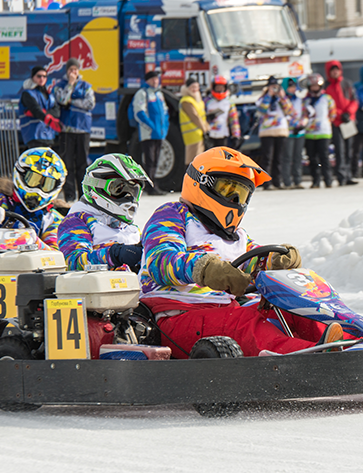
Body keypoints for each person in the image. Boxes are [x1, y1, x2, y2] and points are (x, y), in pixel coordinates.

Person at [139, 147, 340, 358]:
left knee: (292, 306)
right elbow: (161, 260)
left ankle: (345, 341)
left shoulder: (236, 235)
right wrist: (206, 269)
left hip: (222, 312)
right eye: (227, 190)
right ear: (201, 182)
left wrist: (276, 261)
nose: (235, 200)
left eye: (241, 194)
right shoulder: (173, 215)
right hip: (176, 316)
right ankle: (310, 355)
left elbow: (253, 259)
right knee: (244, 323)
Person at [57, 154, 151, 272]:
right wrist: (114, 255)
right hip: (96, 283)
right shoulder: (77, 221)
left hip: (131, 282)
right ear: (97, 186)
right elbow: (73, 262)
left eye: (133, 191)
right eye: (118, 189)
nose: (128, 197)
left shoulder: (130, 228)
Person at [0, 147, 67, 251]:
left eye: (47, 184)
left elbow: (57, 253)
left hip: (28, 260)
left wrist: (35, 242)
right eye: (33, 179)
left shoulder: (52, 219)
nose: (38, 189)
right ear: (21, 175)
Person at [52, 58, 95, 202]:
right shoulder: (60, 85)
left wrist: (73, 102)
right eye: (71, 70)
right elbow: (62, 100)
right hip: (66, 130)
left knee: (82, 164)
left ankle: (84, 195)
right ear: (67, 71)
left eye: (75, 70)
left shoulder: (86, 86)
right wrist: (70, 85)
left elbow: (90, 103)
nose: (73, 72)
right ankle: (69, 195)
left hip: (83, 129)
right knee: (67, 163)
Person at [129, 69, 169, 195]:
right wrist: (151, 127)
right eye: (153, 79)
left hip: (159, 133)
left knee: (156, 160)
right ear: (147, 81)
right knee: (149, 160)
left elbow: (165, 112)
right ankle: (149, 186)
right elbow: (139, 112)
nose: (155, 81)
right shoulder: (142, 93)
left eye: (157, 79)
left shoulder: (159, 94)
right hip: (149, 133)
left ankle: (153, 184)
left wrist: (165, 127)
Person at [324, 60, 359, 186]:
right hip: (336, 122)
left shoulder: (347, 84)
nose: (335, 72)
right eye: (332, 70)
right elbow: (327, 104)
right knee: (339, 150)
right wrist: (339, 114)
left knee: (349, 150)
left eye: (337, 69)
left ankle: (349, 175)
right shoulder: (326, 86)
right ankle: (341, 176)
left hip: (348, 121)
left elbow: (354, 100)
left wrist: (348, 113)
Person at [255, 76, 294, 190]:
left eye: (275, 86)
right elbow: (261, 110)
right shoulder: (262, 98)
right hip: (267, 131)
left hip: (280, 130)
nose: (274, 89)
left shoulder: (281, 98)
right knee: (267, 158)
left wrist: (282, 97)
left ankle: (277, 182)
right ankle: (267, 183)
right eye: (272, 87)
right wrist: (269, 95)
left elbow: (290, 111)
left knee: (279, 158)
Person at [302, 73, 336, 189]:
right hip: (310, 133)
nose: (314, 88)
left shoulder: (327, 99)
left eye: (316, 86)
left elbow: (333, 114)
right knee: (312, 158)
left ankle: (328, 179)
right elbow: (303, 114)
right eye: (312, 86)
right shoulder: (306, 100)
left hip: (323, 132)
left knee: (324, 157)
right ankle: (315, 180)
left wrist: (324, 122)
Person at [19, 66, 61, 149]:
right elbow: (36, 110)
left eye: (44, 76)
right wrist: (48, 115)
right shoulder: (27, 94)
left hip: (48, 135)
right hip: (34, 134)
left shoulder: (50, 96)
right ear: (33, 77)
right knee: (37, 157)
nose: (42, 78)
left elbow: (57, 112)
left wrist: (44, 112)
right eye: (39, 76)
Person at [280, 78, 307, 189]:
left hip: (299, 132)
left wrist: (302, 124)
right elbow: (287, 113)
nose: (292, 89)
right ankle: (287, 181)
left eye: (294, 87)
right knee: (287, 157)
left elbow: (304, 113)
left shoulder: (299, 100)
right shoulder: (282, 100)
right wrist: (293, 125)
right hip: (288, 132)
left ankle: (297, 180)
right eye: (290, 87)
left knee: (298, 157)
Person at [204, 75, 240, 148]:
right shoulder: (207, 101)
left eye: (222, 87)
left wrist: (236, 135)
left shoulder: (229, 102)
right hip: (209, 135)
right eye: (218, 87)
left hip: (223, 134)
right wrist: (207, 118)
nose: (220, 89)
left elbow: (234, 120)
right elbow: (200, 116)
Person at [179, 77, 208, 165]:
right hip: (192, 135)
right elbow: (195, 117)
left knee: (198, 159)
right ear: (187, 88)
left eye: (197, 87)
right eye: (192, 87)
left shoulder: (197, 99)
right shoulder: (186, 101)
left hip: (198, 133)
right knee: (192, 160)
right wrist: (205, 129)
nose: (195, 89)